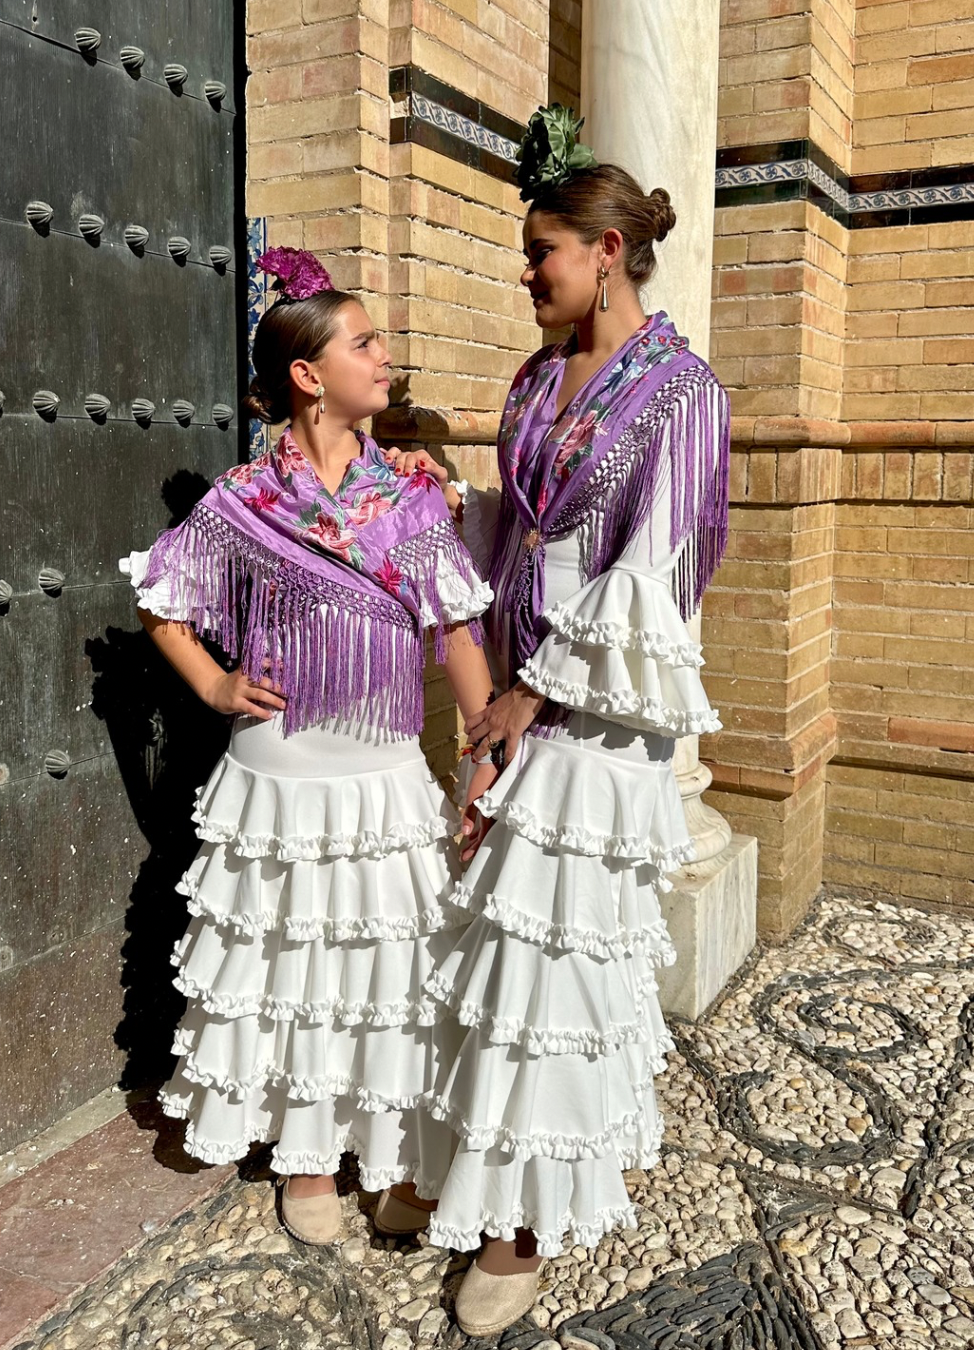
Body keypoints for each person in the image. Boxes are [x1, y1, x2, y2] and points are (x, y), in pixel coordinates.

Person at [389, 106, 730, 1336]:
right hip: (522, 694)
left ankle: (523, 1227)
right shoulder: (537, 377)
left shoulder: (684, 396)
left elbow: (659, 572)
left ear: (608, 252)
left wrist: (545, 688)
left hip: (595, 718)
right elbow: (529, 530)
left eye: (542, 252)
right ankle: (470, 1169)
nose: (525, 274)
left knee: (554, 965)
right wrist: (459, 502)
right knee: (484, 948)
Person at [119, 247, 496, 1245]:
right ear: (308, 374)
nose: (386, 357)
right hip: (279, 775)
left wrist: (486, 749)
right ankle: (309, 1159)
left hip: (382, 776)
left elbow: (454, 630)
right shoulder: (243, 501)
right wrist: (213, 683)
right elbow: (163, 607)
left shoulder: (415, 496)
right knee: (292, 970)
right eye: (364, 342)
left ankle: (392, 1144)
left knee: (388, 969)